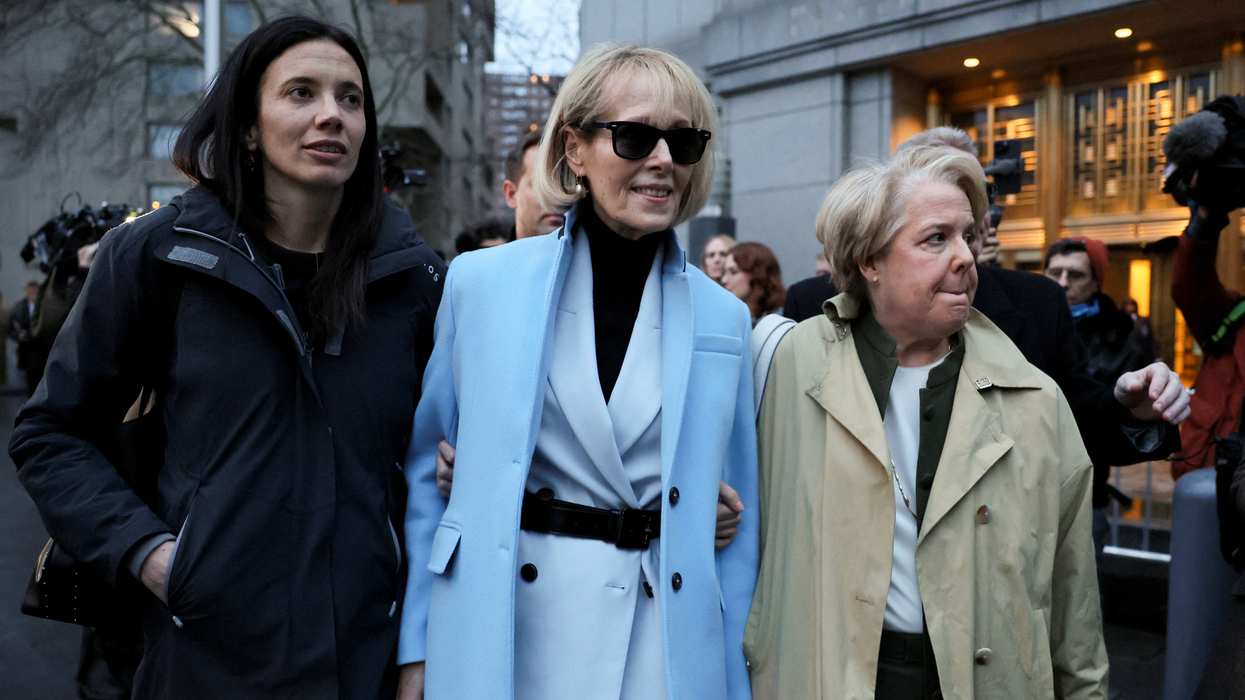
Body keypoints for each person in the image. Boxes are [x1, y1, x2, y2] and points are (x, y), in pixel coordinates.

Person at [9, 17, 444, 699]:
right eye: (300, 93)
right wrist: (152, 557)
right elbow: (51, 435)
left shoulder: (412, 279)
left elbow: (431, 453)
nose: (331, 114)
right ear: (247, 125)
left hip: (365, 661)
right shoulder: (158, 257)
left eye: (350, 98)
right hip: (204, 657)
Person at [397, 43, 758, 700]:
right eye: (633, 136)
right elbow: (429, 480)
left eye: (683, 142)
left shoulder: (724, 318)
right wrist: (418, 647)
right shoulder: (480, 285)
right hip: (507, 629)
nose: (660, 160)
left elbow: (738, 517)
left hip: (660, 641)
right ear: (575, 150)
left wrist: (731, 674)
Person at [745, 147, 1108, 698]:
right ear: (870, 261)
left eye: (969, 235)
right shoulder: (789, 363)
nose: (965, 256)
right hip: (828, 673)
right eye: (936, 238)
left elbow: (1074, 597)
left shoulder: (1036, 398)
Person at [783, 127, 1186, 483]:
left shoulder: (1038, 302)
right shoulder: (812, 310)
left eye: (972, 192)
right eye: (935, 233)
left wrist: (1133, 410)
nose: (963, 200)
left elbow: (1076, 424)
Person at [503, 129, 566, 239]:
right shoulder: (486, 256)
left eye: (564, 186)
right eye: (541, 186)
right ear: (511, 194)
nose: (556, 197)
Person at [722, 241, 785, 325]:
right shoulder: (729, 316)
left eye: (733, 272)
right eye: (724, 272)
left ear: (758, 274)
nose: (724, 280)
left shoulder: (781, 320)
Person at [8, 280, 43, 395]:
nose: (33, 292)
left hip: (41, 347)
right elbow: (11, 328)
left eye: (35, 290)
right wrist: (19, 336)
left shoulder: (44, 306)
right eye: (30, 290)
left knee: (40, 376)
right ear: (26, 291)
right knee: (30, 376)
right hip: (27, 349)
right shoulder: (19, 307)